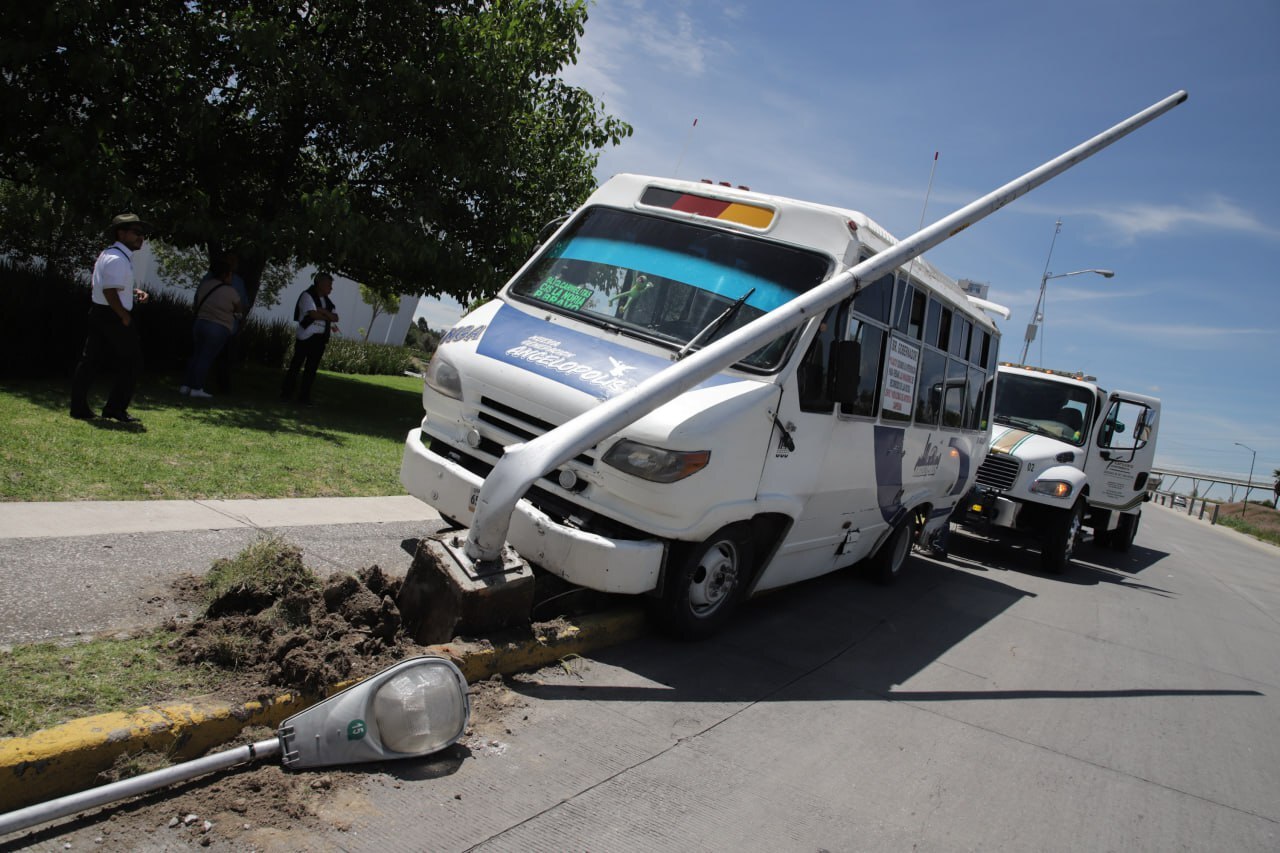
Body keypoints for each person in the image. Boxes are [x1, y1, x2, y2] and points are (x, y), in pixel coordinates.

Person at [70, 213, 152, 423]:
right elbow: (110, 292)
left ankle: (79, 408)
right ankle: (115, 408)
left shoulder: (113, 255)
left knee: (91, 361)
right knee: (132, 362)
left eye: (142, 234)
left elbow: (113, 287)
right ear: (121, 233)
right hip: (113, 315)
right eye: (136, 233)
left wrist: (133, 292)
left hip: (102, 312)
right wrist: (124, 316)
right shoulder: (117, 259)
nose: (141, 237)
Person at [180, 258, 243, 399]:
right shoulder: (231, 291)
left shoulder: (205, 285)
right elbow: (239, 309)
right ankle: (197, 387)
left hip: (200, 323)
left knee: (196, 354)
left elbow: (197, 302)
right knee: (206, 357)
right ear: (225, 275)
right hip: (218, 326)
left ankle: (186, 385)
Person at [279, 272, 339, 406]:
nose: (331, 288)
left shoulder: (327, 302)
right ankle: (286, 393)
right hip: (306, 336)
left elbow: (335, 318)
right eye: (329, 285)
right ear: (320, 284)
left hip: (320, 338)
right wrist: (326, 315)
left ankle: (304, 397)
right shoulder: (307, 295)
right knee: (296, 365)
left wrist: (323, 311)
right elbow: (312, 314)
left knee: (311, 369)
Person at [211, 249, 249, 393]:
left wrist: (240, 320)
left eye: (235, 261)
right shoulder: (211, 280)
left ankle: (223, 386)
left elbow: (243, 304)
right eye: (230, 261)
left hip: (230, 326)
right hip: (214, 322)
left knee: (227, 357)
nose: (233, 264)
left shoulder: (238, 281)